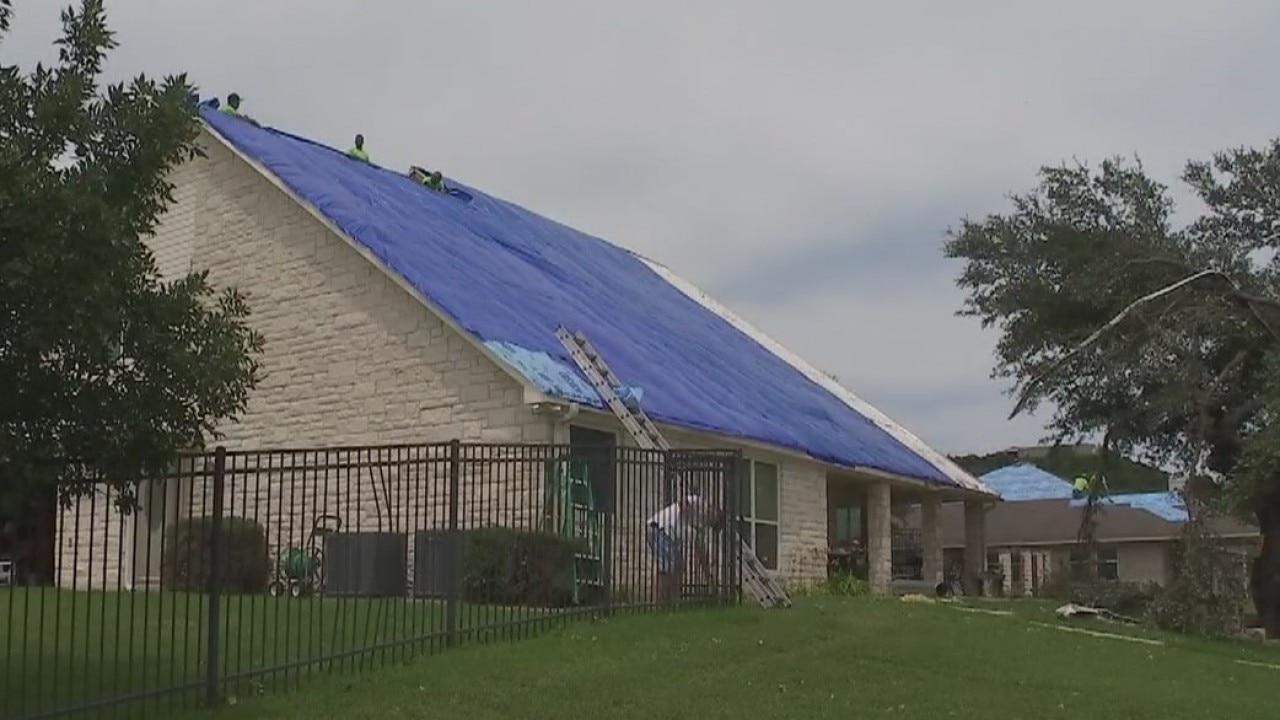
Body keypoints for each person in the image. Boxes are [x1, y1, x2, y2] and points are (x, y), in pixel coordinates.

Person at [646, 492, 723, 604]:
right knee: (667, 568)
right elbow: (682, 503)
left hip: (672, 536)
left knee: (678, 566)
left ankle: (672, 600)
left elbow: (700, 551)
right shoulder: (700, 502)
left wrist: (708, 576)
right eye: (714, 519)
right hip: (660, 528)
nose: (711, 522)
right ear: (714, 511)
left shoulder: (702, 526)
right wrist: (690, 522)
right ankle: (657, 602)